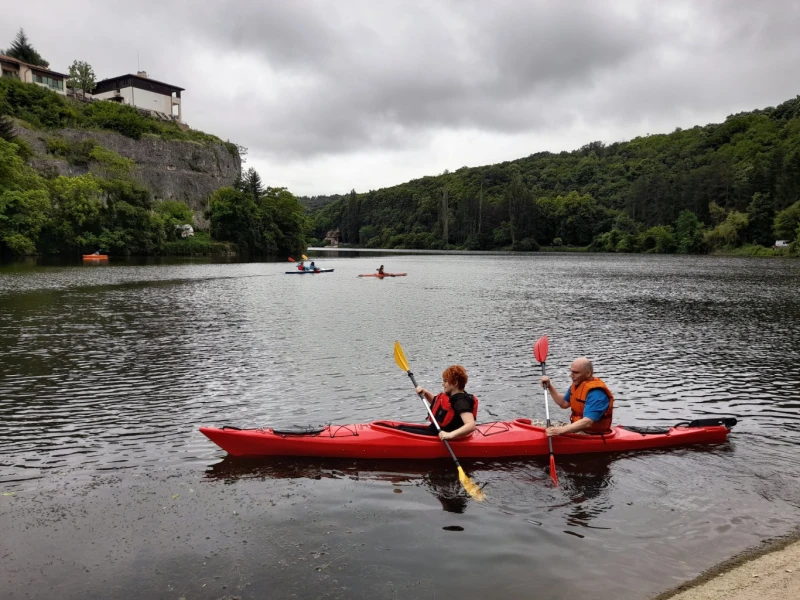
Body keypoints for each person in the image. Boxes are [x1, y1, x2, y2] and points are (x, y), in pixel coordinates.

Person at [540, 357, 614, 436]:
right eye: (571, 372)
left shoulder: (597, 394)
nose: (571, 375)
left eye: (576, 372)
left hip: (593, 434)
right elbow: (564, 403)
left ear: (588, 373)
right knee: (535, 425)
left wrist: (560, 431)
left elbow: (588, 422)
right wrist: (549, 386)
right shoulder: (577, 385)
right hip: (579, 430)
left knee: (547, 431)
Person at [412, 365, 478, 440]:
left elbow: (471, 425)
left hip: (442, 436)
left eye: (445, 381)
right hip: (435, 431)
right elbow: (438, 405)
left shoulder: (461, 401)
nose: (443, 384)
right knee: (401, 428)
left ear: (455, 383)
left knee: (401, 430)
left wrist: (450, 435)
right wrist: (425, 393)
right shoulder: (452, 396)